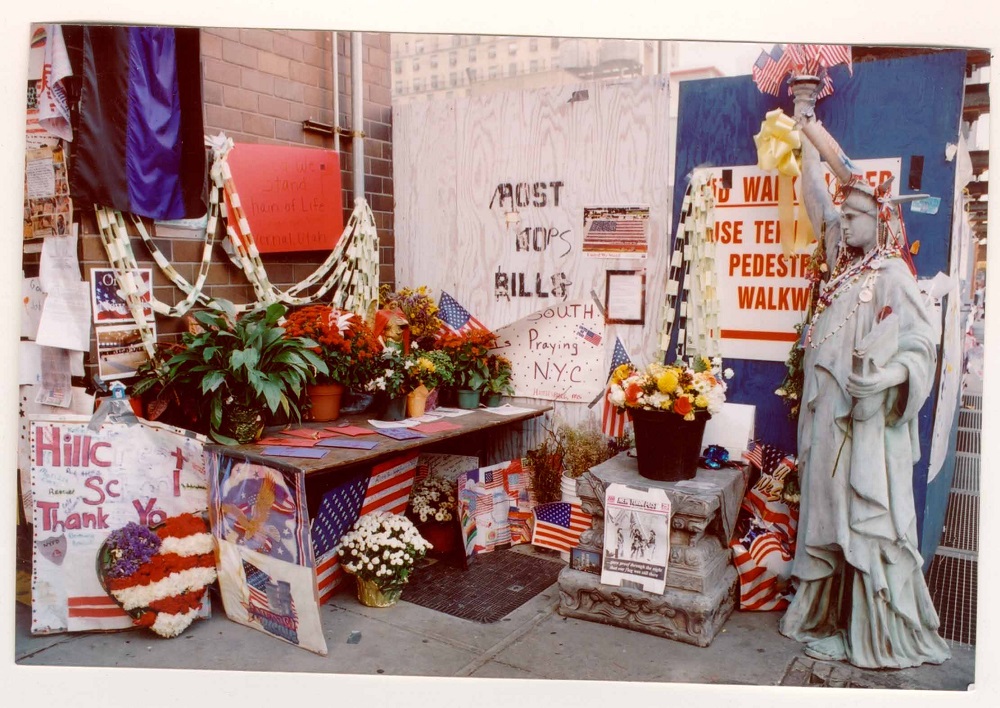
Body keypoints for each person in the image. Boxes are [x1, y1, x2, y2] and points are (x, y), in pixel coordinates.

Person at [776, 89, 951, 670]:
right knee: (826, 519)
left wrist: (888, 378)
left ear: (879, 223)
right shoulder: (841, 263)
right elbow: (815, 198)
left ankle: (867, 629)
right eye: (844, 216)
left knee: (858, 519)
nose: (842, 222)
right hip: (824, 419)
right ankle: (825, 613)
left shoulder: (893, 272)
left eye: (854, 217)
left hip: (864, 425)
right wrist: (804, 133)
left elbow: (922, 345)